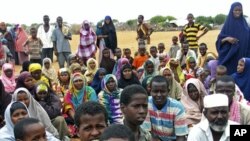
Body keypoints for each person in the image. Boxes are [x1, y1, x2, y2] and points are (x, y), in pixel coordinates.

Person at [142, 76, 188, 141]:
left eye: (162, 91)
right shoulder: (146, 104)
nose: (159, 95)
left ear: (168, 91)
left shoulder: (177, 107)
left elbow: (180, 137)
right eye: (155, 91)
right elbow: (146, 132)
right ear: (150, 91)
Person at [216, 2, 250, 75]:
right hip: (230, 58)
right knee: (228, 78)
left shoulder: (245, 26)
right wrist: (227, 39)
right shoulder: (227, 26)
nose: (237, 12)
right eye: (235, 10)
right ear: (232, 11)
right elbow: (219, 41)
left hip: (242, 56)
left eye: (239, 10)